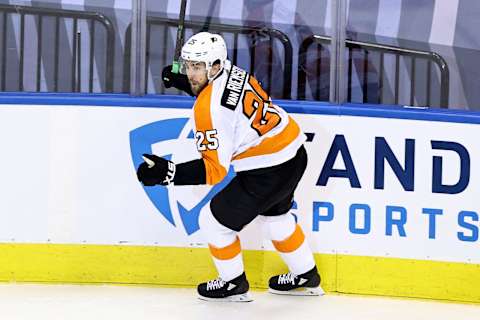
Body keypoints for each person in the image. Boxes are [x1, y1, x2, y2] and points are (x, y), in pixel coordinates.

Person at [137, 32, 322, 302]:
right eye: (188, 65)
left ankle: (233, 283)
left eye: (197, 67)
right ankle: (307, 275)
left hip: (267, 171)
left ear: (214, 66)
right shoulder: (232, 69)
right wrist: (186, 81)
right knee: (277, 221)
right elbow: (222, 94)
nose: (191, 72)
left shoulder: (207, 110)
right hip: (294, 154)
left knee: (212, 223)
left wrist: (167, 173)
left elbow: (215, 170)